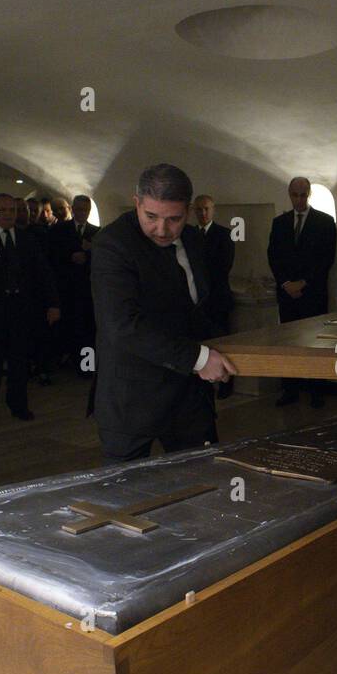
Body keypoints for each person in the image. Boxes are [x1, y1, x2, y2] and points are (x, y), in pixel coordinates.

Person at [91, 164, 236, 461]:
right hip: (132, 399)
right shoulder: (113, 244)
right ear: (137, 203)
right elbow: (122, 326)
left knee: (202, 488)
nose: (161, 229)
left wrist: (222, 349)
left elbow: (199, 307)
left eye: (174, 219)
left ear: (189, 211)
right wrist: (200, 358)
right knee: (125, 498)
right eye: (151, 217)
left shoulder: (195, 240)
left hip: (189, 398)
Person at [0, 193, 60, 426]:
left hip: (21, 310)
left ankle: (18, 405)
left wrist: (53, 303)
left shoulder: (26, 239)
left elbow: (43, 274)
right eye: (2, 210)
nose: (7, 214)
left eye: (11, 210)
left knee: (19, 362)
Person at [266, 176, 336, 408]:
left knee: (316, 343)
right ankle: (290, 388)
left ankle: (317, 390)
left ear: (309, 194)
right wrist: (286, 283)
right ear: (289, 194)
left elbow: (327, 259)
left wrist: (303, 282)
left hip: (312, 293)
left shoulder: (325, 222)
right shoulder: (279, 223)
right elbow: (273, 256)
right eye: (295, 194)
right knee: (289, 343)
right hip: (288, 294)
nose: (298, 199)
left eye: (302, 194)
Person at [48, 194, 100, 372]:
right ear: (72, 208)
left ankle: (87, 366)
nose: (81, 213)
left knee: (88, 329)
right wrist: (70, 256)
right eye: (78, 209)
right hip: (67, 288)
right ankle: (71, 361)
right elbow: (52, 258)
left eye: (85, 210)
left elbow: (105, 262)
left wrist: (90, 254)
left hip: (88, 291)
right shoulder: (59, 230)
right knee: (70, 327)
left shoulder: (97, 232)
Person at [193, 195, 237, 398]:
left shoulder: (223, 234)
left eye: (206, 209)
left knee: (223, 342)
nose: (203, 213)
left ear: (213, 210)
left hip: (217, 299)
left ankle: (226, 384)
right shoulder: (189, 234)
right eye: (199, 209)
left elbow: (223, 267)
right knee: (199, 342)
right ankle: (202, 383)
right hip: (196, 303)